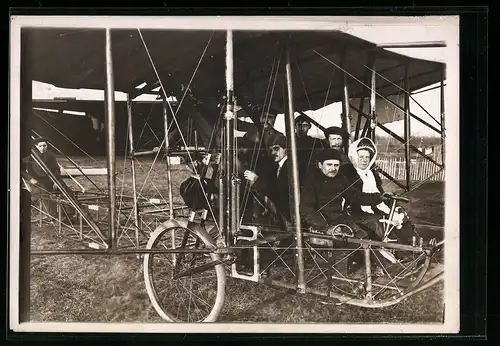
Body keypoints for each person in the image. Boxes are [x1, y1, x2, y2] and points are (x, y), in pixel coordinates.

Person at [340, 137, 416, 244]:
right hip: (355, 212)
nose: (364, 160)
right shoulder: (348, 174)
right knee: (378, 222)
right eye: (361, 157)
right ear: (354, 157)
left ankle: (413, 244)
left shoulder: (372, 175)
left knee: (400, 214)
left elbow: (380, 195)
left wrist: (391, 202)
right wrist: (378, 198)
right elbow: (355, 197)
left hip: (373, 208)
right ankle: (395, 252)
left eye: (367, 157)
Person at [22, 137, 65, 222]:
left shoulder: (50, 154)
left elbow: (56, 169)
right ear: (36, 146)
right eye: (40, 146)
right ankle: (51, 216)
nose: (43, 148)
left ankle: (69, 214)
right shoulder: (30, 155)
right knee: (44, 194)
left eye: (44, 145)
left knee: (64, 189)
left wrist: (56, 181)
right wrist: (30, 179)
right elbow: (21, 170)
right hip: (37, 181)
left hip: (51, 179)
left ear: (47, 145)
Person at [294, 114, 321, 182]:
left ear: (309, 127)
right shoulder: (289, 141)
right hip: (294, 172)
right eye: (299, 125)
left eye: (305, 125)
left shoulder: (314, 141)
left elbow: (330, 140)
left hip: (309, 174)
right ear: (295, 126)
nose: (302, 128)